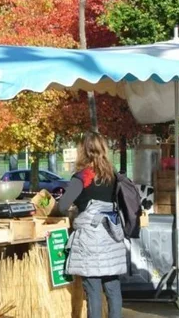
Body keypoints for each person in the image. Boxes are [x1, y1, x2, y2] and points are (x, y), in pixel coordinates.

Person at [58, 132, 126, 318]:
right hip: (112, 235)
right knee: (113, 288)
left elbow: (63, 205)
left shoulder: (83, 176)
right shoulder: (112, 175)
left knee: (93, 290)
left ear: (83, 151)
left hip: (90, 238)